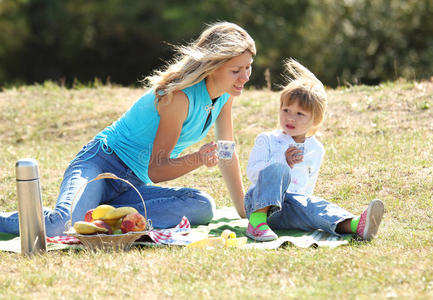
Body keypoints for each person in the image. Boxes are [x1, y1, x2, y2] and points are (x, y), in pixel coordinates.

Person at [0, 22, 255, 237]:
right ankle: (86, 213)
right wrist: (198, 158)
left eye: (248, 67)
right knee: (59, 226)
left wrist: (244, 211)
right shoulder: (179, 97)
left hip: (131, 185)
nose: (245, 77)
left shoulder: (224, 95)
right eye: (236, 70)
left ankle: (103, 214)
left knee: (202, 206)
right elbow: (158, 169)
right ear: (212, 66)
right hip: (100, 164)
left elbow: (226, 152)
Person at [244, 58, 384, 242]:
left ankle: (355, 225)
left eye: (300, 114)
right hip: (258, 204)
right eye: (286, 110)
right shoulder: (268, 140)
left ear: (315, 120)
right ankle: (257, 223)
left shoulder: (315, 149)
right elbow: (253, 174)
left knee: (314, 204)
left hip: (290, 210)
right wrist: (282, 160)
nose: (291, 118)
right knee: (278, 169)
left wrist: (305, 206)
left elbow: (308, 186)